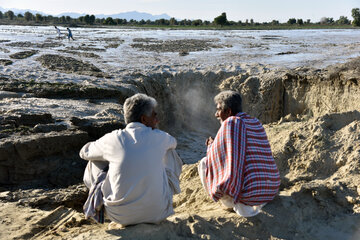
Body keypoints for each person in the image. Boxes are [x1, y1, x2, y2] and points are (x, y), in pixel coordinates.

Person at [80, 93, 183, 227]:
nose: (157, 120)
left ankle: (98, 205)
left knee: (93, 161)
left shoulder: (113, 138)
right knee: (170, 151)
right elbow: (173, 142)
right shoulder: (160, 137)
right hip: (157, 212)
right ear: (144, 119)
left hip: (119, 216)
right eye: (154, 115)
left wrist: (109, 156)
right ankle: (161, 197)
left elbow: (84, 152)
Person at [198, 90, 280, 217]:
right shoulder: (256, 122)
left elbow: (223, 158)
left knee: (204, 162)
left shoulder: (230, 122)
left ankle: (228, 203)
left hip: (249, 194)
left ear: (228, 111)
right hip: (270, 191)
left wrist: (210, 146)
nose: (216, 114)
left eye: (219, 109)